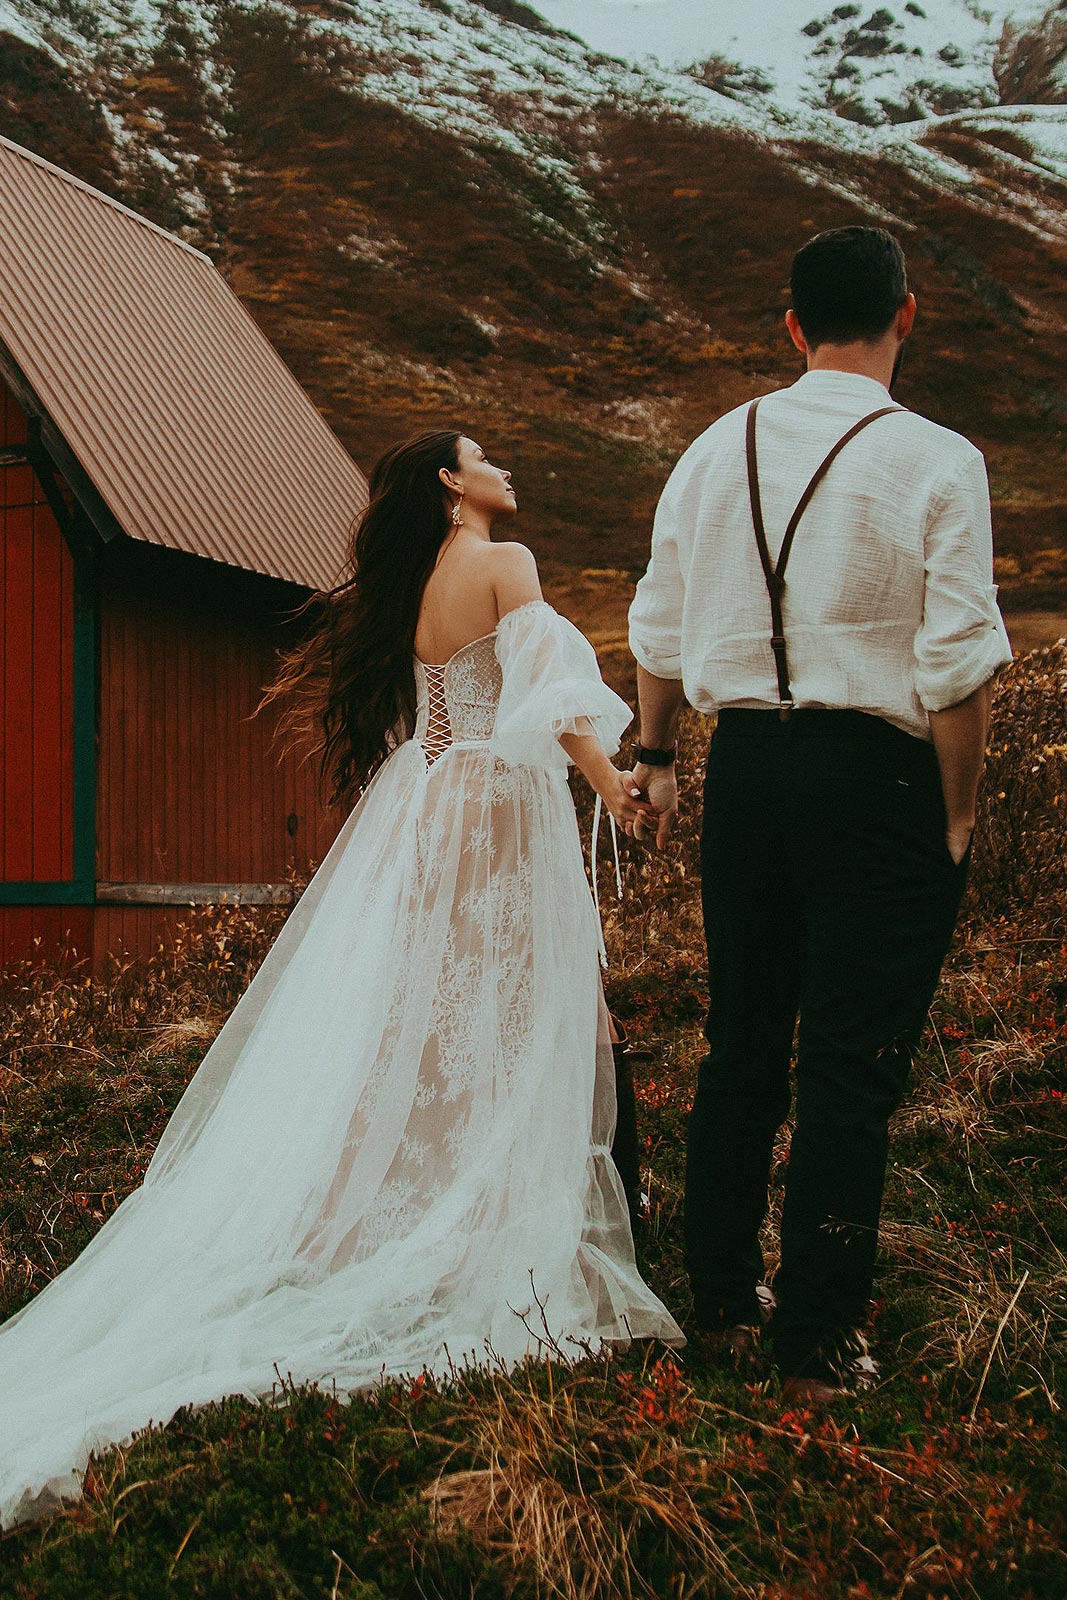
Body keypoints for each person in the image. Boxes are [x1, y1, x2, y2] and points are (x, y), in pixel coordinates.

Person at [0, 430, 682, 1529]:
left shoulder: (412, 587)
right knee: (534, 1015)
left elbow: (454, 710)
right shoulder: (505, 566)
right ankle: (548, 1226)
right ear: (453, 486)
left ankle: (466, 1202)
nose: (505, 464)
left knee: (437, 1017)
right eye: (483, 455)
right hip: (498, 816)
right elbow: (548, 695)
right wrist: (610, 782)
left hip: (425, 810)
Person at [627, 227, 1012, 1405]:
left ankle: (718, 1303)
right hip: (875, 783)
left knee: (741, 1042)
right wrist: (954, 821)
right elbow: (953, 667)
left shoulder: (710, 447)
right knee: (849, 1063)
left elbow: (655, 626)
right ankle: (817, 1341)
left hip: (743, 772)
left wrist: (657, 755)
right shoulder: (940, 461)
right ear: (909, 314)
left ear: (790, 327)